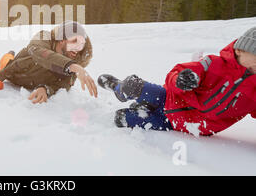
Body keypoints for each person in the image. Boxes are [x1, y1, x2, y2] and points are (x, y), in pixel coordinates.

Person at [97, 26, 256, 136]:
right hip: (167, 98)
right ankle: (117, 88)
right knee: (132, 85)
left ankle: (142, 109)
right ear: (240, 49)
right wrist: (180, 80)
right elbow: (176, 72)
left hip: (179, 125)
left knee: (122, 118)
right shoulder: (213, 64)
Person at [0, 21, 97, 104]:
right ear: (62, 39)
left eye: (81, 43)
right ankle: (10, 54)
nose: (78, 48)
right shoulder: (44, 36)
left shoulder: (72, 66)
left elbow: (63, 84)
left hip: (31, 81)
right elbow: (36, 50)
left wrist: (46, 89)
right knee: (6, 60)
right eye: (74, 41)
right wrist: (71, 65)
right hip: (13, 70)